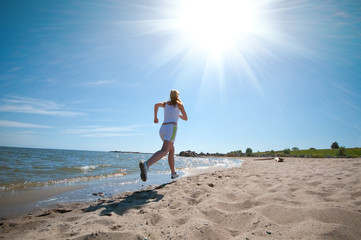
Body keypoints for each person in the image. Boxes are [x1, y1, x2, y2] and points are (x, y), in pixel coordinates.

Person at [139, 90, 188, 182]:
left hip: (162, 129)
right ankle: (146, 165)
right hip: (171, 129)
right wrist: (179, 115)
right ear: (178, 96)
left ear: (170, 96)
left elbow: (156, 105)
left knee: (171, 150)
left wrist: (155, 117)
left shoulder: (165, 104)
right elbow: (186, 118)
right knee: (165, 151)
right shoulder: (179, 105)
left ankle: (173, 173)